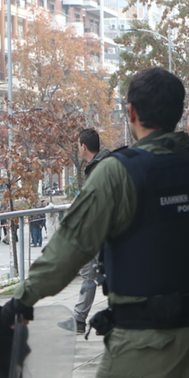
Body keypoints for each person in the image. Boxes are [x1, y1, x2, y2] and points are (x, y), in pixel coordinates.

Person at [1, 68, 189, 378]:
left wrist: (23, 298)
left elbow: (70, 246)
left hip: (144, 340)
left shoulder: (117, 173)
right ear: (176, 114)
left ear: (130, 112)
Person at [73, 128, 111, 333]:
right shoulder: (101, 164)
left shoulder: (98, 167)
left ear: (83, 146)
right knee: (93, 272)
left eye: (78, 146)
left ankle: (79, 320)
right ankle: (79, 318)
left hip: (97, 231)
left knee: (89, 272)